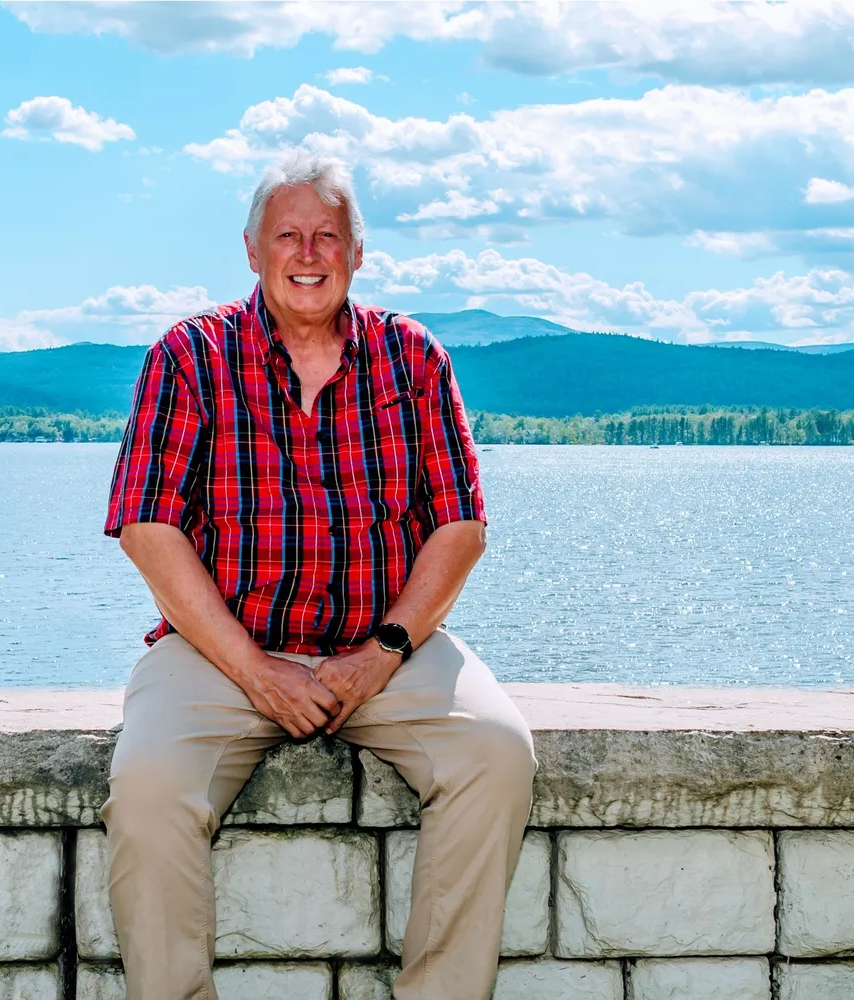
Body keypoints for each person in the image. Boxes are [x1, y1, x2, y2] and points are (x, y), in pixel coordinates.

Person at [102, 148, 535, 1000]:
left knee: (496, 753)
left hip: (386, 649)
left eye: (327, 235)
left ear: (357, 253)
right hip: (220, 649)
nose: (308, 253)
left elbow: (459, 527)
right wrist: (253, 669)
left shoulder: (411, 357)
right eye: (287, 235)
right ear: (252, 250)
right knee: (148, 791)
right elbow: (147, 527)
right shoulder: (189, 356)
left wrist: (381, 652)